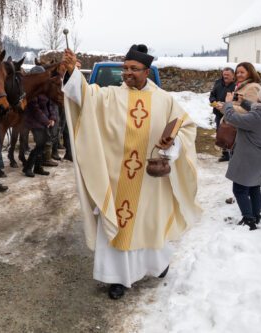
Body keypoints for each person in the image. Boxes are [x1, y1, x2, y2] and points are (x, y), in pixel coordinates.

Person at [61, 45, 201, 299]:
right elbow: (84, 97)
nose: (127, 73)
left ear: (146, 71)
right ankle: (118, 278)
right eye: (124, 68)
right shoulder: (110, 96)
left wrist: (173, 143)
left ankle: (156, 265)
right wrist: (73, 72)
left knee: (149, 222)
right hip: (117, 176)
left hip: (149, 179)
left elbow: (186, 129)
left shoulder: (164, 100)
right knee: (118, 224)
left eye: (133, 69)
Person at [222, 88, 261, 230]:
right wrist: (243, 102)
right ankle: (256, 215)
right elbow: (258, 109)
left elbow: (231, 118)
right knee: (255, 187)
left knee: (240, 189)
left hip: (249, 158)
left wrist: (228, 103)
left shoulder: (256, 117)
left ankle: (248, 218)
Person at [22, 66, 57, 177]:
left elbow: (50, 104)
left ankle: (38, 167)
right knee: (40, 143)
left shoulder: (46, 88)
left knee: (43, 144)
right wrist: (46, 121)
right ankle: (28, 167)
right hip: (34, 120)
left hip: (45, 120)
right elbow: (34, 109)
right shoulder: (32, 91)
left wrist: (52, 117)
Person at [209, 67, 235, 162]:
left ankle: (233, 153)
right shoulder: (218, 82)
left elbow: (237, 101)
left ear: (233, 76)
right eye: (224, 74)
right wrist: (213, 101)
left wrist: (224, 105)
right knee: (220, 133)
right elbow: (212, 94)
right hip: (218, 112)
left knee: (231, 133)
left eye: (228, 75)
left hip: (230, 113)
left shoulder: (236, 86)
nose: (225, 76)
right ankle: (225, 155)